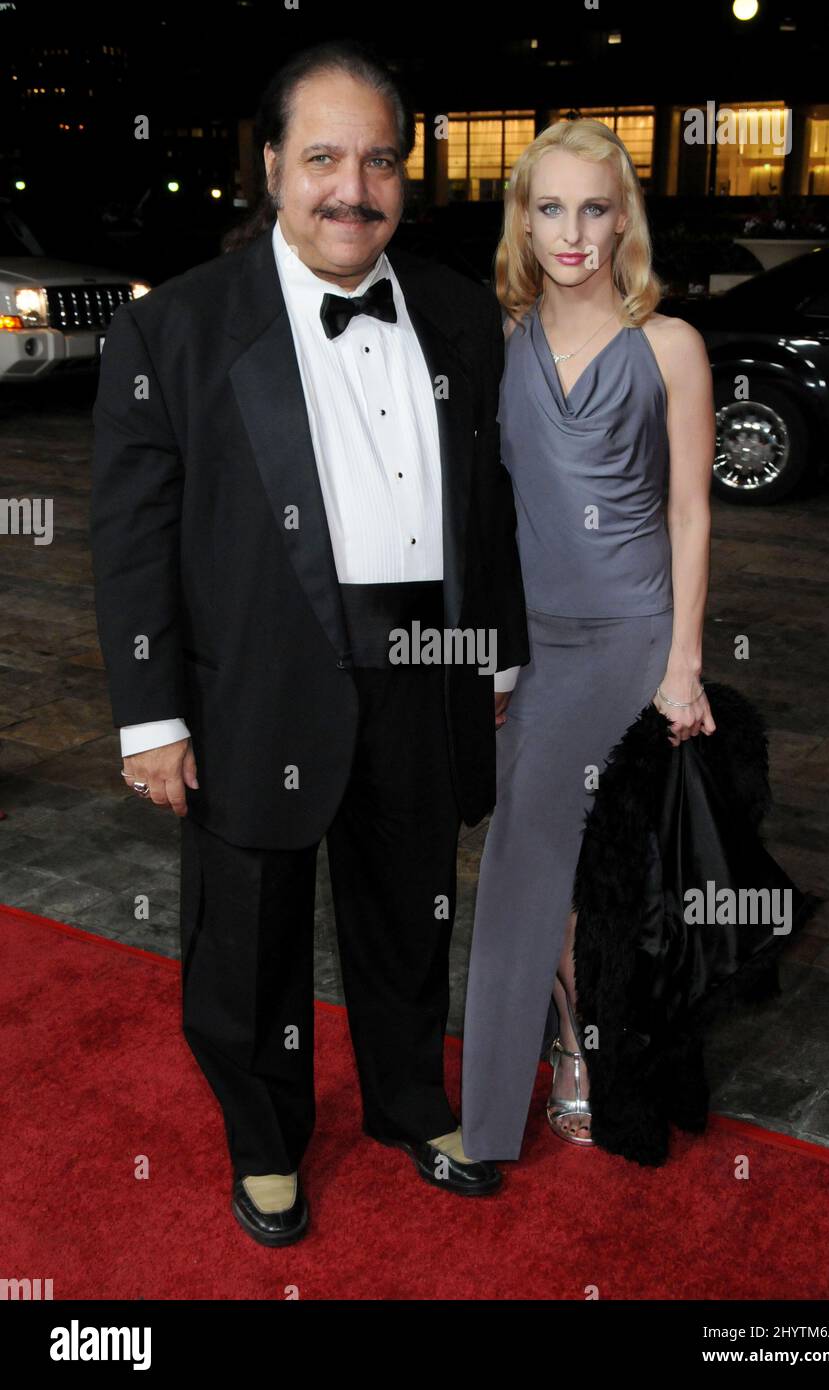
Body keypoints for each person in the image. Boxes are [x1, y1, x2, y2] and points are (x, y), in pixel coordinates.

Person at [90, 40, 529, 1246]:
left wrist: (494, 654)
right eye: (324, 156)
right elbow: (132, 541)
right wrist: (150, 716)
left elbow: (484, 506)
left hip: (424, 673)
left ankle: (408, 1101)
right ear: (273, 164)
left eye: (378, 159)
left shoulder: (451, 312)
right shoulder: (175, 329)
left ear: (405, 174)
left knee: (408, 912)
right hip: (255, 686)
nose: (353, 187)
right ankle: (266, 1143)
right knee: (248, 939)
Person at [460, 117, 716, 1161]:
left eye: (594, 208)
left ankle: (562, 1058)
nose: (572, 232)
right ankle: (558, 1045)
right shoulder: (499, 341)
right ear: (523, 218)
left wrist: (682, 662)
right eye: (549, 207)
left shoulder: (669, 346)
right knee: (533, 862)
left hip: (628, 636)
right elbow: (480, 513)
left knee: (567, 863)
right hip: (533, 642)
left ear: (624, 219)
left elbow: (688, 513)